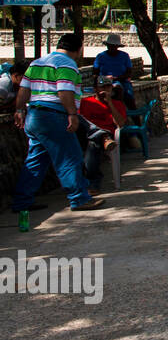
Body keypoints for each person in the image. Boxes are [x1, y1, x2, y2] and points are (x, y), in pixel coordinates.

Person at [11, 33, 105, 213]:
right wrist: (72, 114)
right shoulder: (66, 64)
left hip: (34, 115)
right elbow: (64, 90)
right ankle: (79, 198)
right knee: (70, 157)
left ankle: (22, 201)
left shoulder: (37, 62)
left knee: (36, 160)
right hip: (54, 116)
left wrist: (20, 110)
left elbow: (24, 88)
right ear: (79, 48)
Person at [78, 76, 126, 193]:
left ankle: (93, 184)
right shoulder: (85, 102)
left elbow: (120, 123)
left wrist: (110, 103)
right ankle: (101, 136)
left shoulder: (117, 104)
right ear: (95, 88)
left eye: (108, 87)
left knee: (93, 144)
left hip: (108, 136)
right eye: (102, 87)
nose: (105, 90)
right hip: (84, 134)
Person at [92, 34, 137, 109]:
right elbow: (95, 74)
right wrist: (105, 79)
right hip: (103, 82)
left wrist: (116, 78)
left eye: (113, 46)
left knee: (128, 96)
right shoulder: (100, 56)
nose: (111, 48)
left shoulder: (124, 56)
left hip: (122, 81)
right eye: (110, 46)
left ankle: (130, 115)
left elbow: (129, 73)